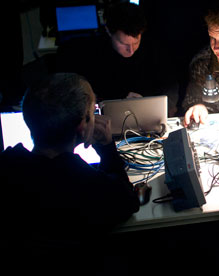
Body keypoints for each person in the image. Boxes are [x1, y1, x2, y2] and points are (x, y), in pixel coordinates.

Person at [0, 73, 140, 274]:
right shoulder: (91, 185)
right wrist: (107, 148)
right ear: (83, 127)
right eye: (93, 111)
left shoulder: (7, 166)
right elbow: (128, 201)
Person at [56, 2, 179, 115]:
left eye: (136, 42)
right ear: (108, 31)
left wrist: (158, 104)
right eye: (123, 43)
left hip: (148, 117)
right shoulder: (90, 54)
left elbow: (171, 85)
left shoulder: (154, 49)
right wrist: (117, 99)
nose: (131, 50)